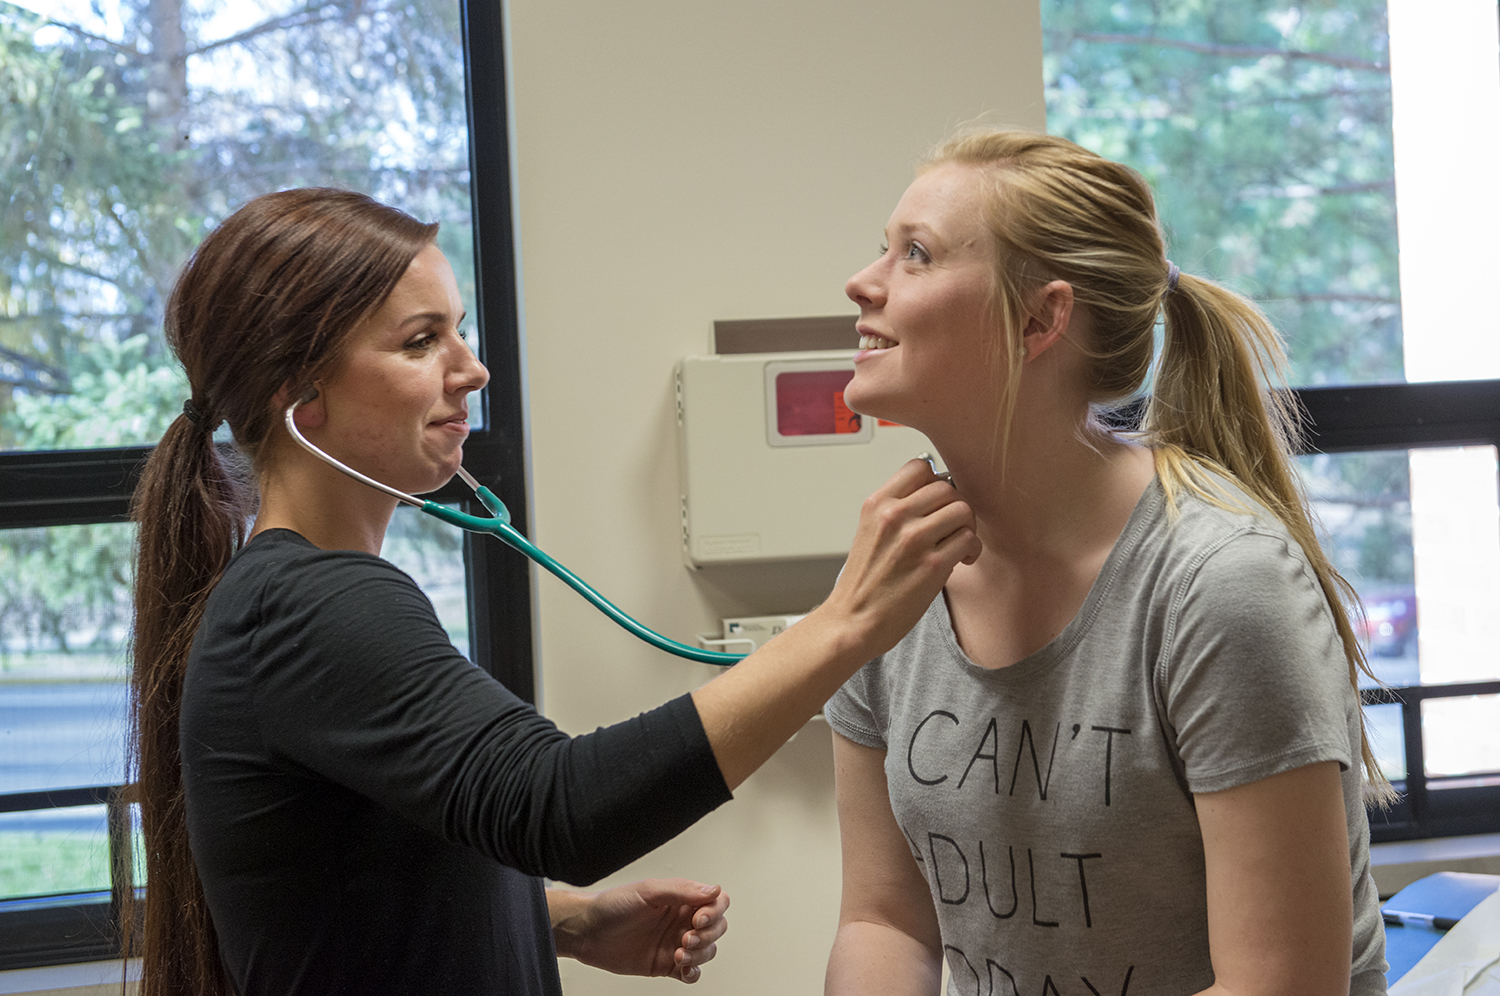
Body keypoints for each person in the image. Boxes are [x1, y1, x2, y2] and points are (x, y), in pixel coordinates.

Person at [128, 187, 981, 996]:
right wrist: (846, 624)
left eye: (459, 331)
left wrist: (559, 922)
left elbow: (352, 877)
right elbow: (558, 806)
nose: (474, 370)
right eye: (421, 342)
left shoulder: (292, 598)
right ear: (296, 395)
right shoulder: (309, 606)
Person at [821, 130, 1393, 996]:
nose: (864, 282)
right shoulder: (891, 575)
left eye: (916, 254)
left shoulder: (1222, 584)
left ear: (1042, 318)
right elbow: (883, 921)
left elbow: (1279, 987)